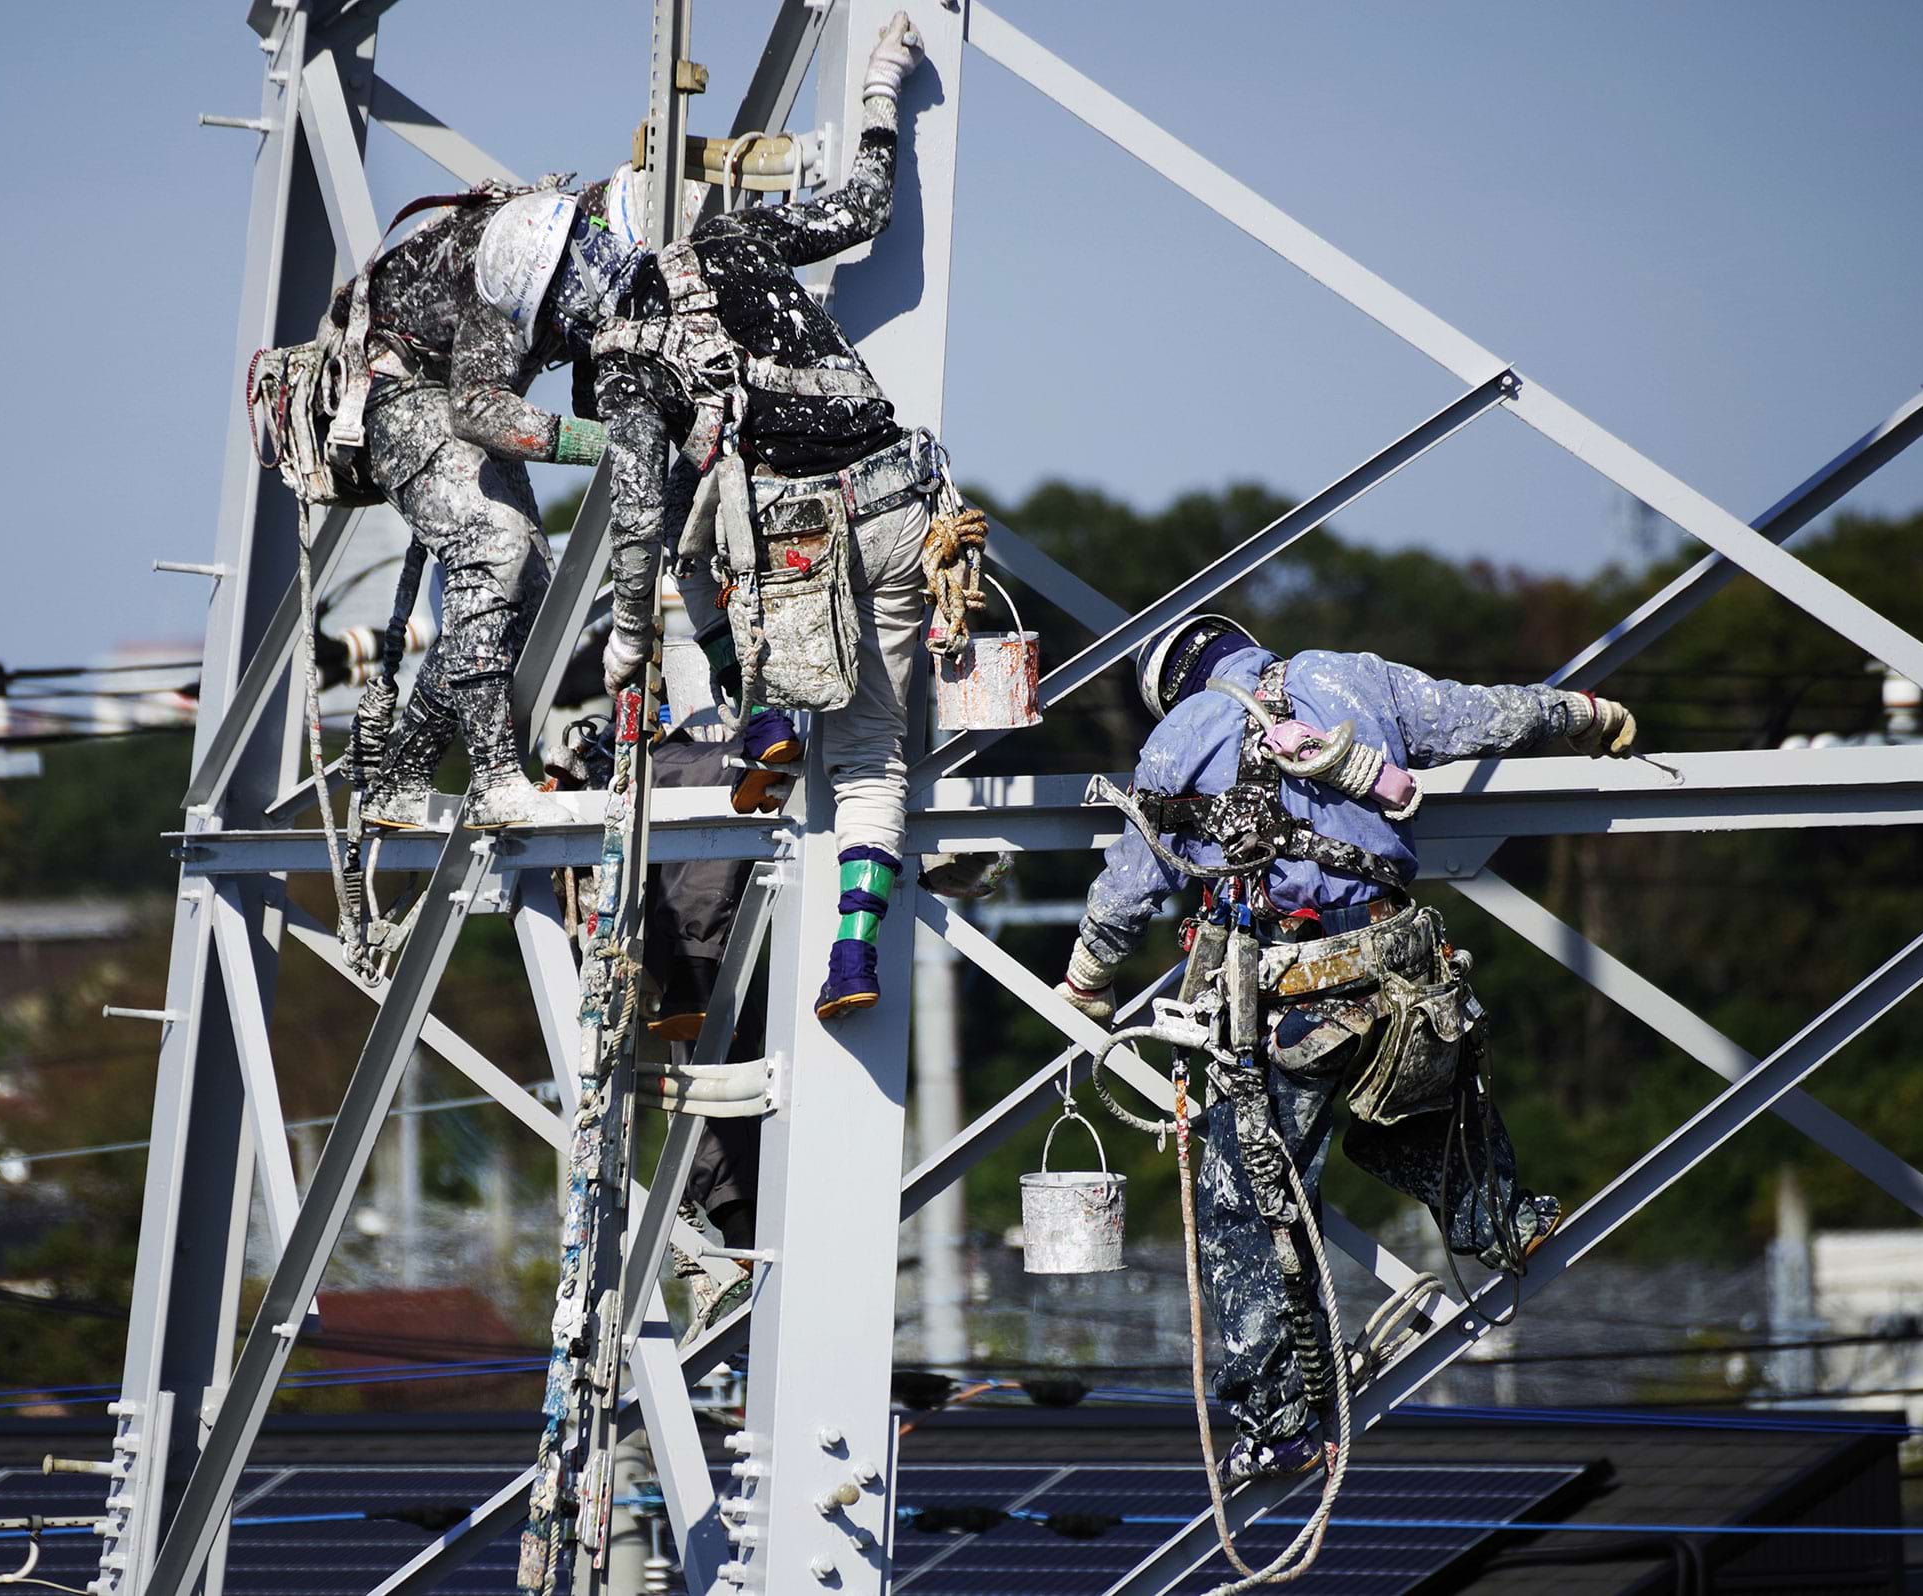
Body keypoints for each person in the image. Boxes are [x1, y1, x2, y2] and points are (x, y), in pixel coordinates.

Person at [1055, 612, 1638, 1485]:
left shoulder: (1186, 732)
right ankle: (1504, 1220)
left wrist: (1087, 978)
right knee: (1405, 1111)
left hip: (1290, 997)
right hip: (1403, 971)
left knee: (1246, 1209)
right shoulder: (1355, 676)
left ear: (1172, 686)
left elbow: (1136, 881)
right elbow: (1481, 716)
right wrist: (1587, 717)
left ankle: (1280, 1421)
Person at [587, 10, 947, 1021]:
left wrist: (629, 640)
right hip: (894, 498)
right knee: (876, 753)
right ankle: (853, 955)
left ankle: (769, 710)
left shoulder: (628, 340)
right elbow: (868, 202)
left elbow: (643, 502)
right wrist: (882, 86)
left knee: (703, 562)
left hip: (793, 525)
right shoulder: (746, 240)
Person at [349, 169, 646, 829]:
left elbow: (591, 396)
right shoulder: (517, 254)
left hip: (460, 391)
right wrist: (603, 445)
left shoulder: (601, 277)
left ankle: (402, 774)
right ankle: (493, 781)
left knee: (534, 602)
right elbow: (479, 411)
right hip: (401, 386)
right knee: (494, 545)